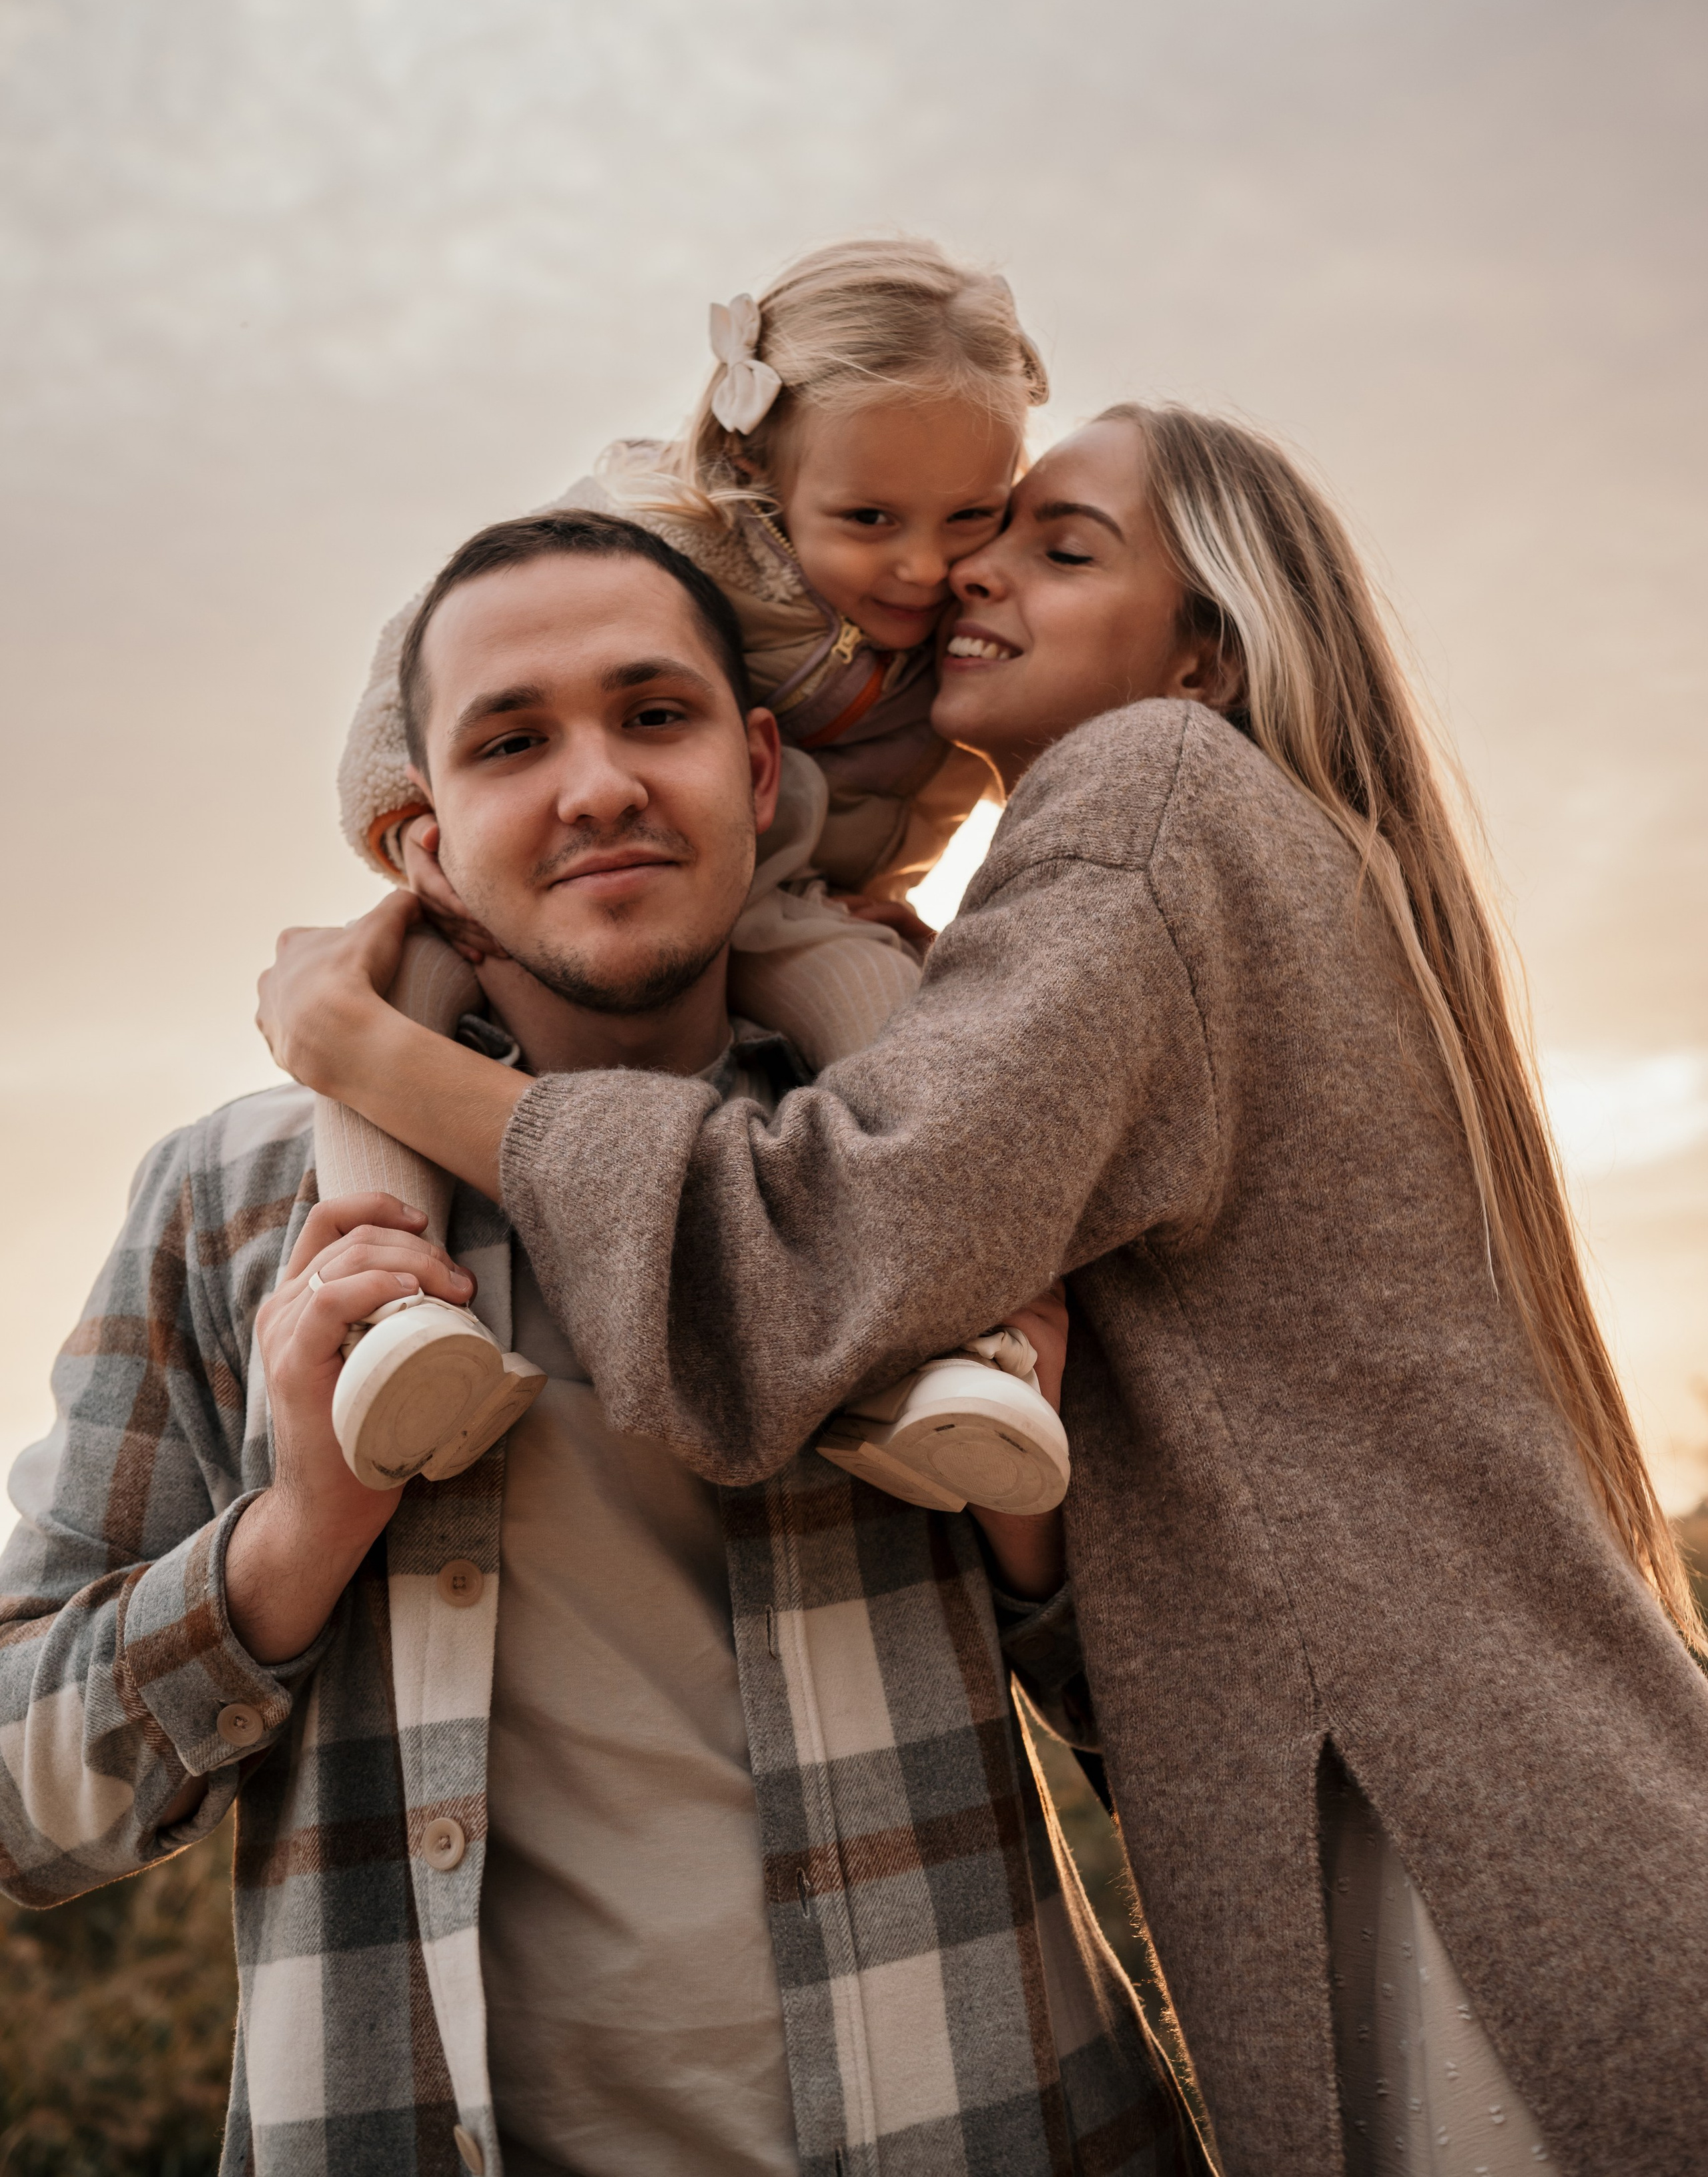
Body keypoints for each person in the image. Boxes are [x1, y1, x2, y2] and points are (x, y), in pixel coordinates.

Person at [265, 406, 1708, 2177]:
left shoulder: (1152, 794)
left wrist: (362, 1048)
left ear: (1207, 649)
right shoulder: (1262, 851)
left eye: (1061, 546)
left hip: (1443, 1851)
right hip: (1502, 1806)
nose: (971, 572)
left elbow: (816, 1256)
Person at [0, 509, 1204, 2177]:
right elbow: (18, 1807)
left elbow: (1196, 1729)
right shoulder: (239, 1206)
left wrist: (1027, 1535)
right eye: (511, 741)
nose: (596, 787)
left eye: (654, 714)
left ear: (762, 768)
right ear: (419, 843)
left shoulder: (930, 1168)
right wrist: (291, 1539)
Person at [323, 235, 1069, 1512]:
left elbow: (957, 774)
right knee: (386, 1002)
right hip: (520, 886)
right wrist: (417, 840)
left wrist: (895, 883)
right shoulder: (653, 539)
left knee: (910, 1043)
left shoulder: (958, 624)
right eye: (870, 519)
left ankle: (969, 1357)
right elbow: (430, 678)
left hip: (779, 900)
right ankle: (390, 1309)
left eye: (970, 517)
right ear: (753, 466)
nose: (919, 564)